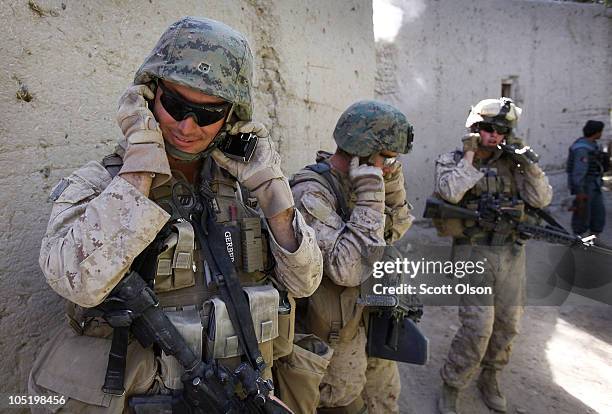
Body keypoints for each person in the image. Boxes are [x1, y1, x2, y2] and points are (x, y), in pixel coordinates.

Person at [28, 16, 323, 413]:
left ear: (232, 116)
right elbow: (77, 281)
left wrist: (272, 193)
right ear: (149, 97)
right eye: (175, 105)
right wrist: (140, 168)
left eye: (207, 114)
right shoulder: (104, 185)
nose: (186, 126)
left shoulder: (248, 186)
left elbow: (305, 282)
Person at [289, 100, 415, 414]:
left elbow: (397, 227)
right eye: (387, 157)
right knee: (342, 402)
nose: (391, 165)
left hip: (374, 316)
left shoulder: (366, 181)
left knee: (384, 398)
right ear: (362, 152)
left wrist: (389, 180)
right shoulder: (310, 194)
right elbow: (348, 269)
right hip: (335, 334)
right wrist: (372, 194)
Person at [433, 98, 552, 414]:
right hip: (473, 253)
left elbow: (541, 199)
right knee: (478, 327)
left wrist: (529, 164)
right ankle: (453, 383)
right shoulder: (454, 159)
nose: (494, 136)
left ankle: (491, 376)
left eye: (501, 130)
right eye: (487, 129)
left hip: (511, 254)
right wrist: (470, 156)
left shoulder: (514, 163)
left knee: (508, 324)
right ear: (474, 128)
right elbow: (449, 192)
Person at [567, 120, 608, 236]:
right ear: (597, 132)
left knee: (598, 213)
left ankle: (594, 238)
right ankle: (578, 239)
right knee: (583, 213)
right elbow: (578, 172)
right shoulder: (582, 149)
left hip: (595, 184)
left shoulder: (593, 145)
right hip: (585, 186)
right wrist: (580, 191)